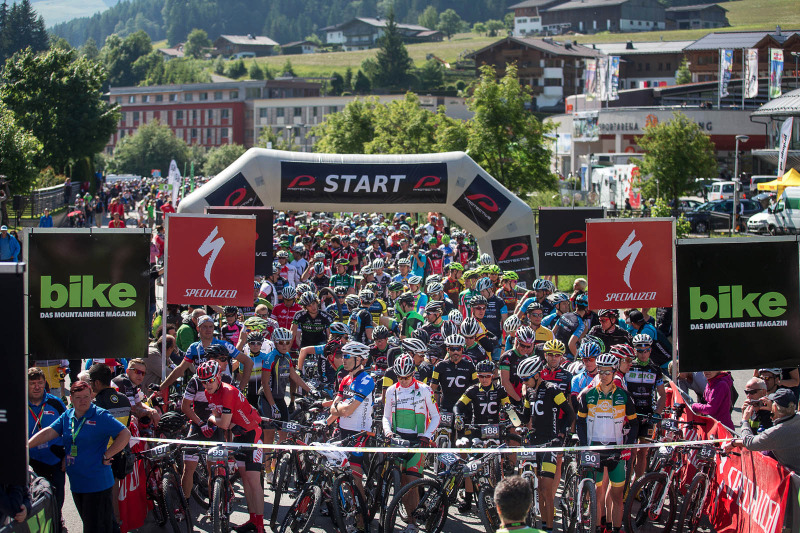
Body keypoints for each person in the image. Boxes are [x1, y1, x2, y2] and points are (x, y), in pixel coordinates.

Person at [29, 380, 131, 533]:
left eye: (86, 397)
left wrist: (108, 454)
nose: (83, 401)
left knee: (97, 528)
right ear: (71, 398)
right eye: (78, 397)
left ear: (92, 396)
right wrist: (26, 446)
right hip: (78, 483)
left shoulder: (100, 415)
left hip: (97, 484)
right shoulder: (68, 415)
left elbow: (125, 434)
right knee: (101, 526)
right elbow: (50, 431)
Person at [576, 353, 638, 533]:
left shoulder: (624, 396)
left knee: (617, 497)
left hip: (615, 450)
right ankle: (597, 527)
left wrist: (627, 445)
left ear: (614, 372)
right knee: (597, 495)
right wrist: (583, 444)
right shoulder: (588, 394)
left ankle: (615, 529)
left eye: (607, 372)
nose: (603, 376)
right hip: (594, 448)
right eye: (600, 372)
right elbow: (580, 421)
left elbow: (634, 424)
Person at [382, 353, 440, 531]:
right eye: (399, 377)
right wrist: (388, 432)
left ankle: (411, 523)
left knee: (411, 483)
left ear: (413, 374)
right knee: (397, 482)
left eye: (406, 377)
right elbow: (385, 417)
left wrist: (427, 436)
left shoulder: (425, 390)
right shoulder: (392, 390)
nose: (403, 381)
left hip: (417, 441)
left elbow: (436, 417)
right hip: (397, 439)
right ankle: (400, 513)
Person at [725, 388, 800, 473]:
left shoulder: (775, 432)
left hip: (794, 481)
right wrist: (772, 410)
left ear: (775, 407)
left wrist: (744, 421)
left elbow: (750, 443)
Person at [27, 367, 67, 512]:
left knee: (58, 498)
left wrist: (67, 456)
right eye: (32, 383)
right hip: (30, 461)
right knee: (34, 501)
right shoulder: (19, 404)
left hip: (55, 458)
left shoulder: (55, 403)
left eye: (40, 382)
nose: (37, 387)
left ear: (45, 383)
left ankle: (58, 520)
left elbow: (70, 431)